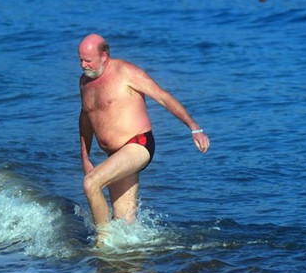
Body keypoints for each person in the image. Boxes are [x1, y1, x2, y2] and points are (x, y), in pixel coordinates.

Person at [76, 34, 210, 242]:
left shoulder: (126, 72)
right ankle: (128, 266)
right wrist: (85, 158)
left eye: (88, 60)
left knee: (91, 183)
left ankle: (102, 244)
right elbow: (86, 118)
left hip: (138, 145)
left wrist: (194, 127)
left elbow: (163, 97)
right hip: (115, 155)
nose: (83, 65)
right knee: (124, 225)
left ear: (104, 55)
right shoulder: (85, 82)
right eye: (80, 60)